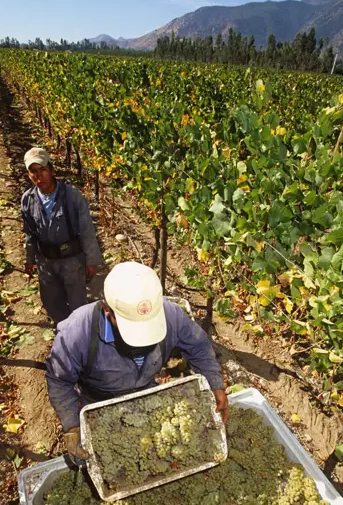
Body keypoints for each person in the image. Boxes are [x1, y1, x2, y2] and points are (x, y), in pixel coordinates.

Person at [45, 261, 228, 464]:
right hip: (98, 402)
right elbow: (59, 380)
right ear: (107, 310)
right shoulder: (77, 332)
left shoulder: (171, 314)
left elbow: (199, 346)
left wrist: (214, 383)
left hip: (147, 394)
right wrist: (72, 424)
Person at [21, 147, 101, 325]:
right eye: (33, 171)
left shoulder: (72, 197)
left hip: (71, 261)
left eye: (43, 170)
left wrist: (92, 261)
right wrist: (29, 258)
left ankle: (79, 338)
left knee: (77, 305)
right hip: (45, 262)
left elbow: (87, 230)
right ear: (28, 174)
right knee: (51, 303)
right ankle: (63, 333)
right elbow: (29, 232)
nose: (39, 176)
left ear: (52, 170)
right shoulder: (27, 199)